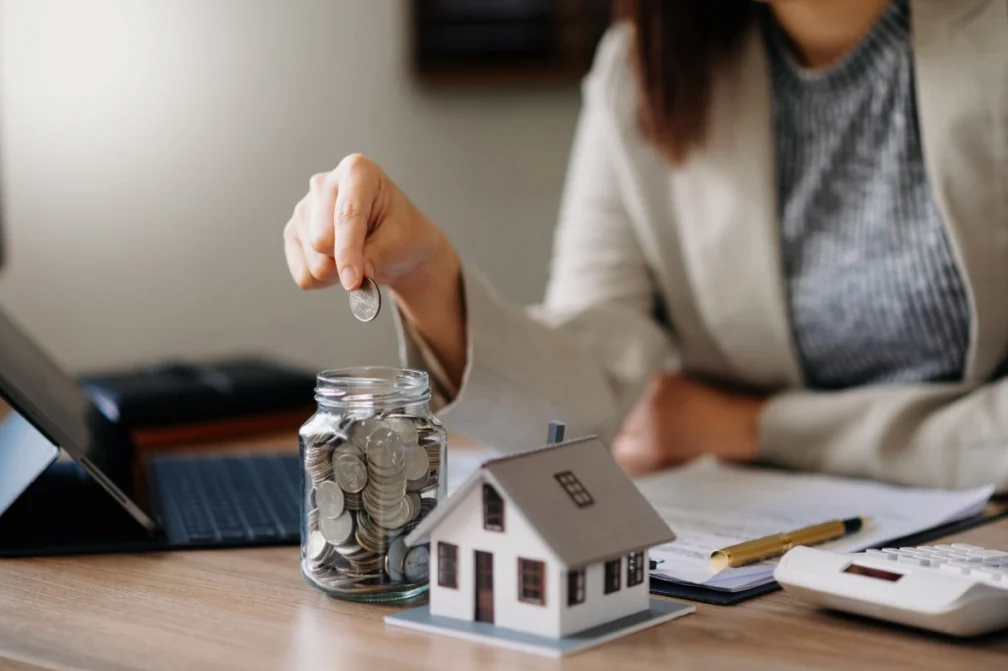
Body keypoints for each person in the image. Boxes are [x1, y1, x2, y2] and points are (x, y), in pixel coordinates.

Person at [282, 0, 1007, 490]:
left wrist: (752, 427)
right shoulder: (639, 70)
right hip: (770, 580)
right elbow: (581, 401)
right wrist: (426, 272)